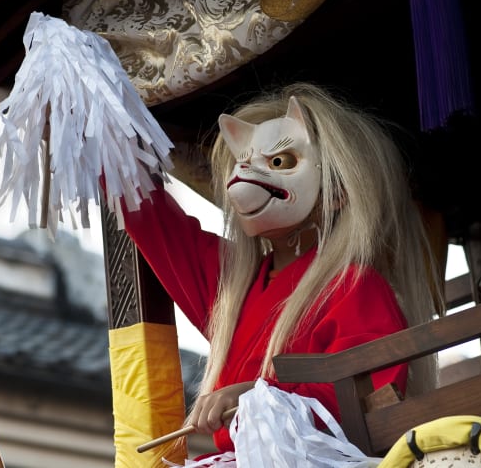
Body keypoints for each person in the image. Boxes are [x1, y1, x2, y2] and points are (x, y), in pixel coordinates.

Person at [121, 82, 445, 462]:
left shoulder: (355, 285)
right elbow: (152, 220)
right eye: (245, 159)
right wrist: (97, 126)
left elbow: (372, 399)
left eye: (279, 162)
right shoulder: (233, 285)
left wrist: (259, 398)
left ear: (337, 192)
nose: (245, 171)